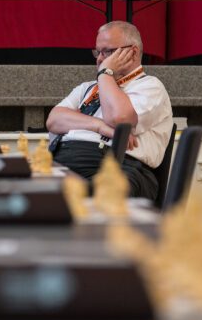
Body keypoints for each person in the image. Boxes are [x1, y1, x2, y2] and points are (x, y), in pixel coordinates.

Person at [46, 21, 173, 200]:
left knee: (78, 197)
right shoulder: (87, 88)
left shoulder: (150, 86)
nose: (100, 59)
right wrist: (100, 126)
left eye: (108, 52)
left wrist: (106, 73)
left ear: (133, 52)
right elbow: (53, 120)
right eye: (97, 52)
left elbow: (119, 119)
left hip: (118, 166)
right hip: (64, 161)